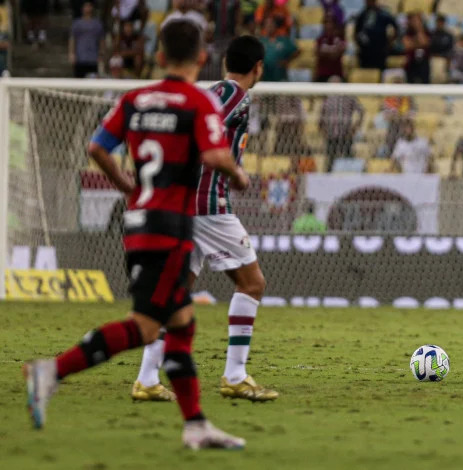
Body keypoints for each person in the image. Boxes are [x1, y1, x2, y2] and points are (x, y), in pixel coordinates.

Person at [23, 19, 249, 449]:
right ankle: (50, 372)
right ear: (201, 58)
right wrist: (237, 175)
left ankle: (196, 424)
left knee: (181, 325)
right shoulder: (197, 102)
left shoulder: (135, 99)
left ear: (159, 56)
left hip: (138, 222)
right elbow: (217, 154)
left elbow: (95, 148)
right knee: (146, 327)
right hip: (170, 228)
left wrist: (125, 184)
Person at [131, 35, 278, 404]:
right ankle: (235, 374)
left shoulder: (213, 89)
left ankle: (147, 379)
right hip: (208, 206)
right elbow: (201, 126)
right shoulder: (233, 94)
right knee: (252, 284)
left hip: (186, 205)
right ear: (258, 67)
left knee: (176, 294)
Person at [319, 75, 365, 171]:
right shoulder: (326, 98)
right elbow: (321, 115)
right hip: (330, 135)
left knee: (347, 158)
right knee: (330, 159)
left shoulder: (349, 97)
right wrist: (322, 129)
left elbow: (361, 111)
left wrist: (355, 127)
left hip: (345, 134)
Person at [354, 0, 398, 70]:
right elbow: (356, 32)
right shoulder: (362, 15)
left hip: (380, 51)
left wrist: (390, 42)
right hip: (365, 52)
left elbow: (396, 26)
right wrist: (359, 44)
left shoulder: (383, 14)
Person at [69, 1, 104, 78]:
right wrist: (72, 53)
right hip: (80, 58)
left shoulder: (97, 24)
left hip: (93, 58)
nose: (87, 9)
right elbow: (73, 39)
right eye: (86, 6)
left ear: (92, 8)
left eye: (89, 6)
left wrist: (101, 54)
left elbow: (101, 40)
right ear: (82, 8)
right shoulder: (77, 23)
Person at [260, 17, 299, 81]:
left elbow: (297, 51)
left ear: (275, 26)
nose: (269, 27)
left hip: (280, 76)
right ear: (264, 27)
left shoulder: (283, 40)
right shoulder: (261, 41)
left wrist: (287, 61)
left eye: (271, 25)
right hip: (265, 77)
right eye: (267, 25)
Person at [315, 14, 346, 82]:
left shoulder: (340, 39)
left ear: (334, 24)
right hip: (322, 75)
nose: (328, 25)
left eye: (330, 22)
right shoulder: (320, 39)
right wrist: (333, 51)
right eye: (326, 22)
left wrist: (326, 52)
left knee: (335, 81)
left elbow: (336, 55)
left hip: (336, 74)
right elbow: (318, 53)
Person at [403, 12, 431, 84]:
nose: (415, 22)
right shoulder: (408, 32)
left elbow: (425, 42)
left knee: (425, 83)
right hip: (411, 61)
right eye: (413, 20)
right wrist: (419, 44)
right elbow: (408, 46)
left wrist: (419, 29)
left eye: (417, 20)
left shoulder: (426, 31)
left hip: (424, 62)